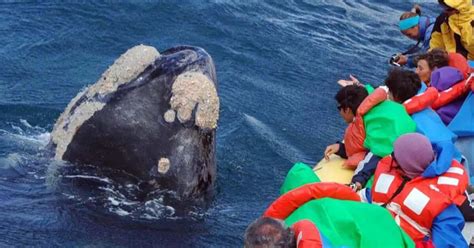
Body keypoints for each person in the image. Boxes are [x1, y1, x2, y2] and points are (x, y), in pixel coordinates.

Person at [360, 133, 469, 247]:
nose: (391, 158)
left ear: (406, 164)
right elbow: (370, 197)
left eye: (395, 155)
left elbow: (450, 243)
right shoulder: (399, 177)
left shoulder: (442, 208)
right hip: (375, 233)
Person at [327, 78, 415, 190]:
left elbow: (375, 154)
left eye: (339, 108)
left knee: (375, 155)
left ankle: (356, 184)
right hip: (409, 135)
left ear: (347, 110)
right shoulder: (376, 107)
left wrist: (358, 179)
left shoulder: (369, 122)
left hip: (397, 146)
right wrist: (340, 148)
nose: (339, 112)